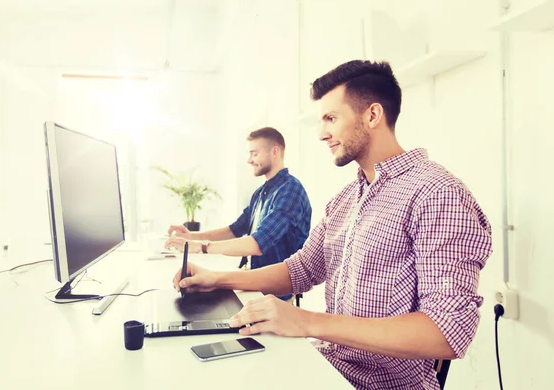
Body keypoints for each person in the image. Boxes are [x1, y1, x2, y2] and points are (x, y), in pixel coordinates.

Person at [172, 60, 492, 389]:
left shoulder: (437, 194)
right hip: (326, 367)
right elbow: (300, 270)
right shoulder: (345, 199)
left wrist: (307, 322)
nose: (322, 133)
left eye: (331, 118)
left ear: (372, 115)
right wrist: (218, 280)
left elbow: (448, 332)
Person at [165, 127, 312, 301]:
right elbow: (234, 230)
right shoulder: (260, 193)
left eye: (254, 153)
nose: (249, 160)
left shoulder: (291, 191)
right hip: (253, 285)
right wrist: (192, 237)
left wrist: (202, 247)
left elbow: (257, 244)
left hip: (276, 295)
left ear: (274, 152)